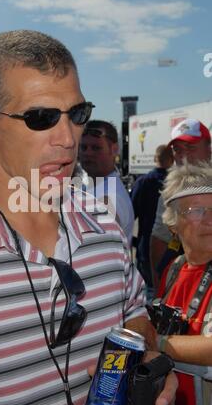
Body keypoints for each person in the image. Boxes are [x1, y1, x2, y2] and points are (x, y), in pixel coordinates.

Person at [0, 30, 176, 405]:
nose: (68, 139)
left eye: (78, 114)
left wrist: (142, 361)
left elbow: (134, 309)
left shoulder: (104, 223)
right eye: (41, 118)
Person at [153, 162, 212, 405]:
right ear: (173, 224)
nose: (210, 219)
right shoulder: (175, 268)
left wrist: (154, 342)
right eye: (197, 210)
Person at [150, 119, 211, 290]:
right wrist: (159, 289)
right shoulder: (171, 189)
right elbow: (159, 238)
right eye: (177, 150)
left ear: (209, 148)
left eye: (191, 148)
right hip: (186, 281)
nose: (184, 156)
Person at [79, 120, 135, 245]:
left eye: (96, 148)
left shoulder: (109, 198)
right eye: (83, 147)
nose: (88, 153)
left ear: (114, 150)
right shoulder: (89, 185)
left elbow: (93, 248)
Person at [131, 145, 174, 300]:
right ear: (172, 159)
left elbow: (130, 216)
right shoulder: (177, 184)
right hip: (173, 251)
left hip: (145, 249)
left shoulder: (143, 182)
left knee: (148, 293)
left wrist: (134, 241)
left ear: (155, 159)